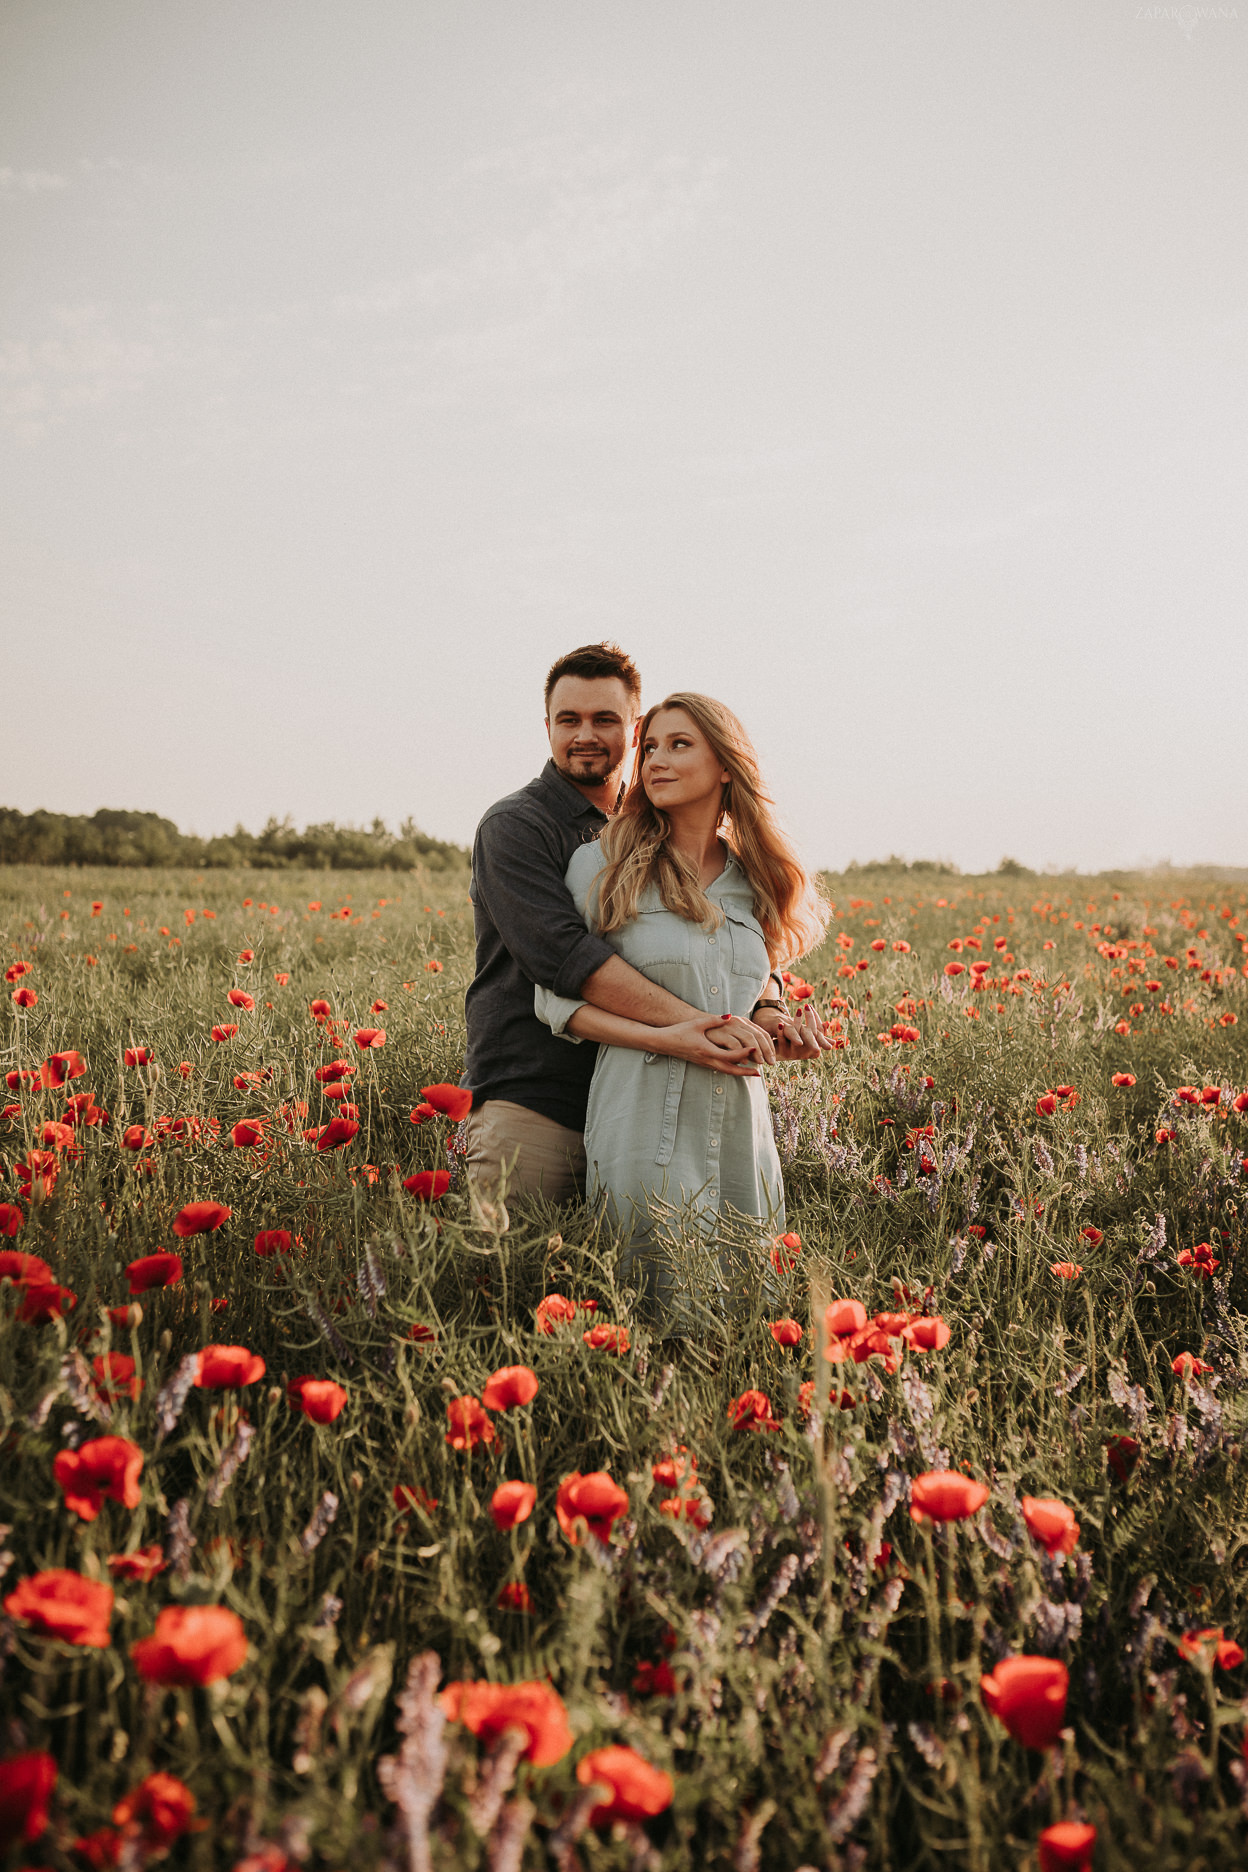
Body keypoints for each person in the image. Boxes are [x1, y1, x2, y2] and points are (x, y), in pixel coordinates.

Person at [462, 645, 814, 1201]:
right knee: (515, 1281)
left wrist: (767, 1001)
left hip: (661, 1103)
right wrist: (703, 1028)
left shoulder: (655, 832)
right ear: (547, 727)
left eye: (605, 719)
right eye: (568, 720)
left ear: (631, 728)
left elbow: (723, 939)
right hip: (536, 1103)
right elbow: (567, 961)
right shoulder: (517, 827)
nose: (585, 734)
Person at [534, 691, 831, 1318]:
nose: (655, 762)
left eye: (678, 745)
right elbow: (557, 1003)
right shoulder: (604, 863)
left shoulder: (756, 880)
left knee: (747, 1322)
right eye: (650, 748)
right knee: (651, 1319)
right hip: (644, 1121)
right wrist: (673, 1037)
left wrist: (777, 1025)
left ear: (726, 764)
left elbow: (757, 986)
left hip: (742, 1130)